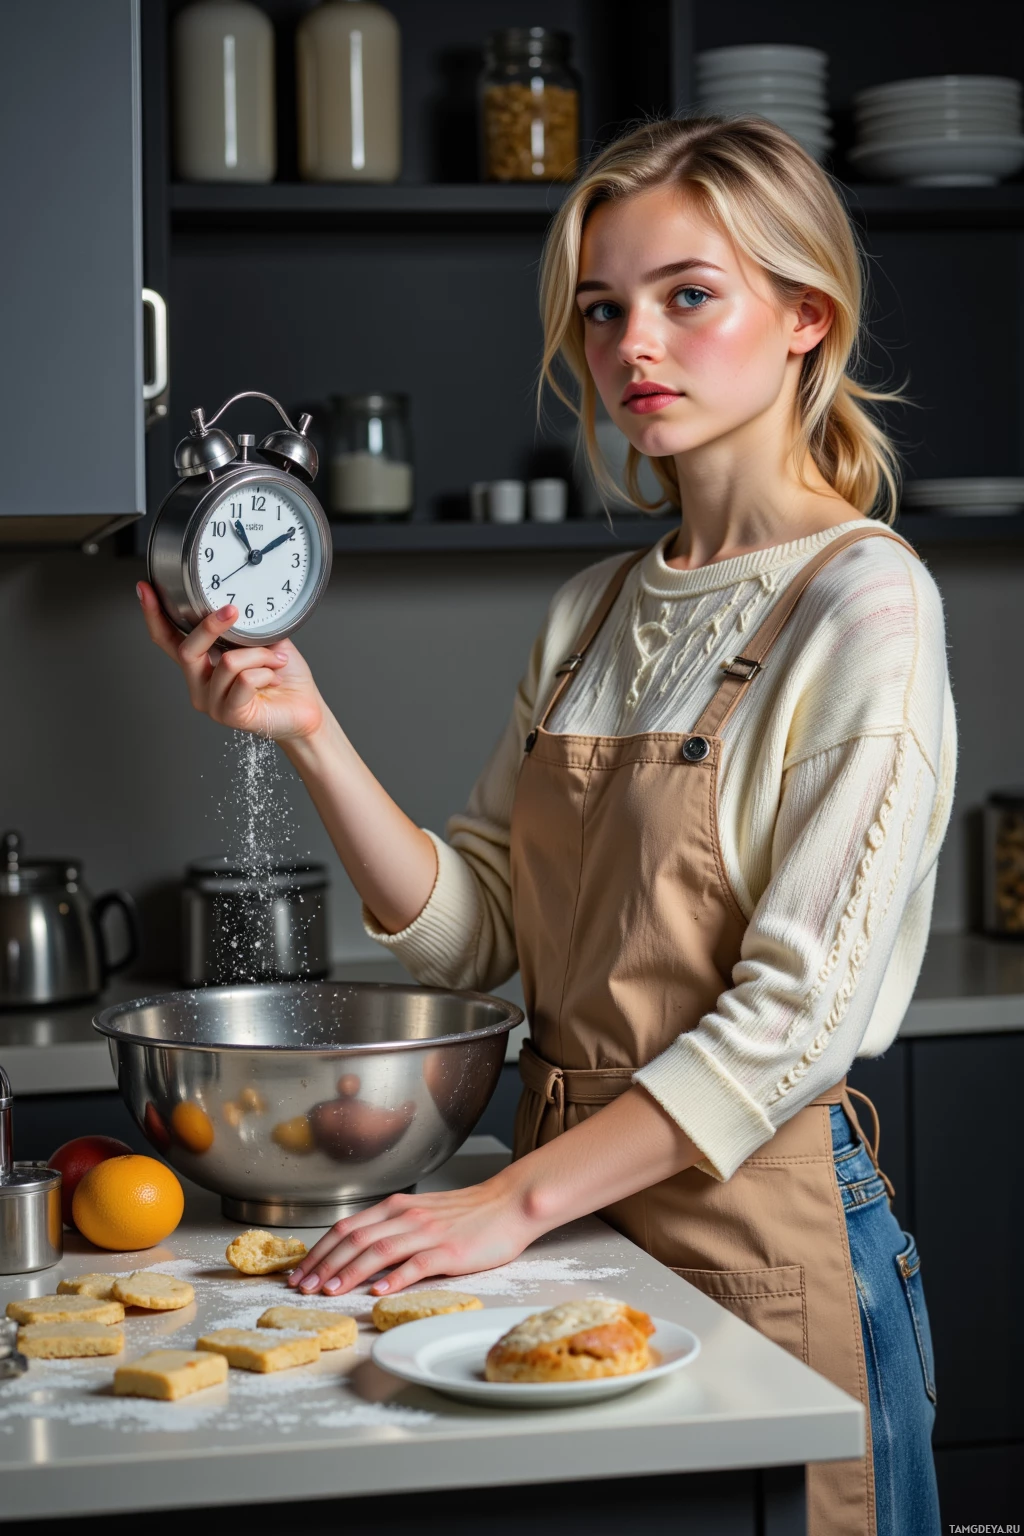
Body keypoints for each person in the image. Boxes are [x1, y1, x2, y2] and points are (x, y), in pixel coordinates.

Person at [139, 117, 954, 1536]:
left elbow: (793, 1019)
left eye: (687, 294)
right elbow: (482, 936)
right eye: (602, 308)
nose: (635, 340)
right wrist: (310, 730)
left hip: (752, 1228)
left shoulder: (862, 602)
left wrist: (506, 1206)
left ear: (805, 317)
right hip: (570, 1216)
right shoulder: (593, 614)